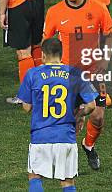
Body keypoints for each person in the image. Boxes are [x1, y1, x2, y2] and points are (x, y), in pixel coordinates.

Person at [43, 0, 112, 171]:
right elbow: (46, 42)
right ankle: (68, 163)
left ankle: (89, 146)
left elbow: (109, 34)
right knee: (72, 121)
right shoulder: (55, 12)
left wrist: (105, 58)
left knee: (98, 117)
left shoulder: (98, 9)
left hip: (93, 73)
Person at [17, 38, 97, 192]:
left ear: (43, 55)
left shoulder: (33, 74)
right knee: (67, 182)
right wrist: (79, 115)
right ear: (62, 54)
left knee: (35, 177)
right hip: (66, 136)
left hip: (40, 136)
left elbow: (26, 107)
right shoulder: (75, 73)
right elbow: (91, 105)